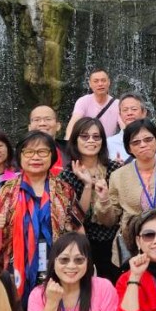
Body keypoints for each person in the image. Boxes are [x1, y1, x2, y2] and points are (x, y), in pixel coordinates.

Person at [0, 130, 80, 304]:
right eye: (29, 152)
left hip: (58, 270)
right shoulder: (4, 192)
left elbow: (79, 230)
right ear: (20, 156)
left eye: (42, 152)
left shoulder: (65, 191)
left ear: (52, 156)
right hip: (13, 271)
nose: (35, 157)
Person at [96, 120, 156, 270]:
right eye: (136, 142)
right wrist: (104, 199)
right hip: (132, 246)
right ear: (129, 148)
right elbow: (109, 221)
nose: (143, 145)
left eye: (148, 139)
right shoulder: (118, 176)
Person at [58, 116, 120, 283]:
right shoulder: (67, 175)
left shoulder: (115, 169)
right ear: (75, 140)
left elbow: (116, 214)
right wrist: (86, 185)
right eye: (85, 136)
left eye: (96, 136)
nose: (91, 141)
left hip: (115, 242)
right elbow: (77, 219)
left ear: (102, 141)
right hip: (83, 243)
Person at [106, 94, 156, 164]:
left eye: (134, 109)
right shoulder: (109, 143)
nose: (129, 113)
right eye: (125, 110)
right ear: (120, 115)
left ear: (144, 113)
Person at [67, 68, 120, 139]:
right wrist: (68, 142)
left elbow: (124, 126)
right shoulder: (83, 101)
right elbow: (74, 122)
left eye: (103, 80)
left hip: (108, 144)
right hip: (87, 143)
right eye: (96, 81)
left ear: (109, 82)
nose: (100, 84)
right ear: (90, 84)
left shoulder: (118, 104)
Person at [28, 105, 72, 171]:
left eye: (48, 119)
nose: (42, 123)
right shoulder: (19, 153)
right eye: (36, 120)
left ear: (58, 126)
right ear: (29, 127)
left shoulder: (71, 150)